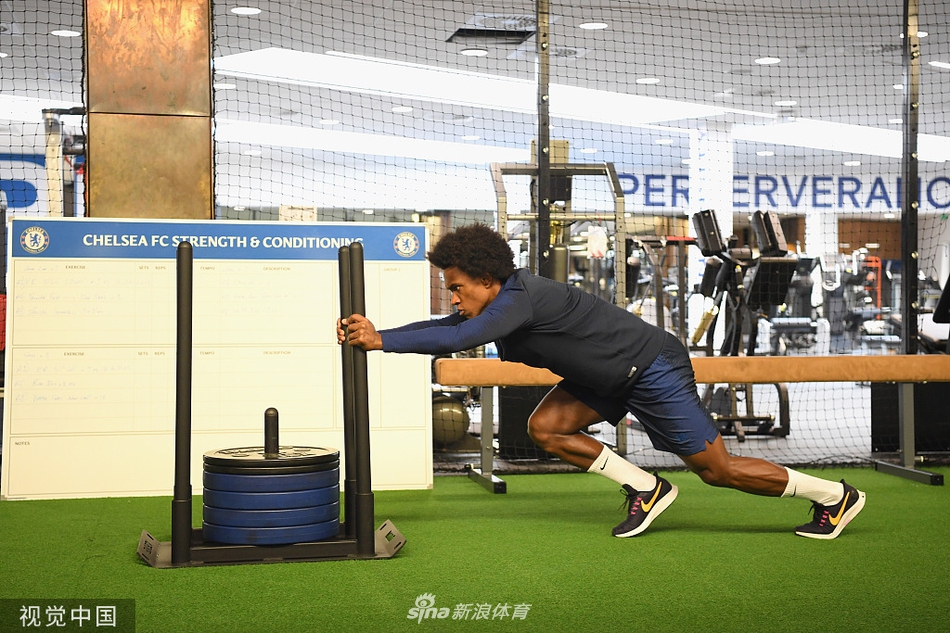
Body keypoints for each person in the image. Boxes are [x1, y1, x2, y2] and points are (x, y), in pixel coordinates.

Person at [338, 224, 866, 539]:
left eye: (456, 286)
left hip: (650, 368)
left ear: (487, 279)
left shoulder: (519, 299)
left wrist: (381, 341)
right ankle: (646, 487)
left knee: (717, 471)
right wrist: (380, 333)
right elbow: (455, 325)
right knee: (547, 428)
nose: (453, 296)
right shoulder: (502, 300)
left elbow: (463, 334)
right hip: (603, 376)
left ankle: (835, 497)